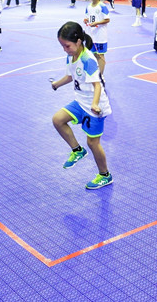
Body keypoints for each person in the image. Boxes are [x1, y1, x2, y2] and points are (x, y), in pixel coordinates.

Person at [50, 21, 113, 190]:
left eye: (67, 46)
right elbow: (70, 76)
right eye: (62, 46)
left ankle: (105, 175)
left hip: (95, 106)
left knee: (93, 143)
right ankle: (77, 150)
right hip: (80, 101)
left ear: (78, 42)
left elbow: (97, 85)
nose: (65, 49)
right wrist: (57, 84)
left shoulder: (88, 59)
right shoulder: (71, 56)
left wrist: (94, 104)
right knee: (58, 120)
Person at [84, 0, 111, 76]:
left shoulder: (102, 6)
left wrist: (97, 23)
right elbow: (88, 17)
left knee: (100, 55)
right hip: (91, 36)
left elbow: (107, 19)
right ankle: (93, 74)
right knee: (92, 55)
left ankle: (101, 75)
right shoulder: (88, 7)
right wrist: (86, 20)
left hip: (100, 36)